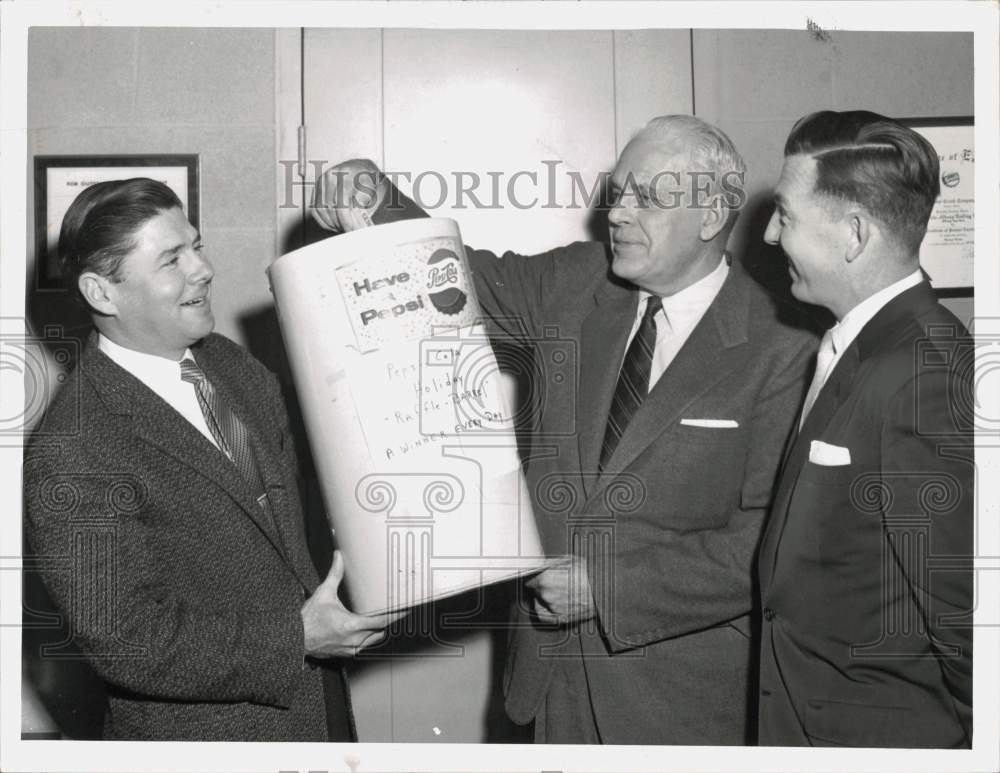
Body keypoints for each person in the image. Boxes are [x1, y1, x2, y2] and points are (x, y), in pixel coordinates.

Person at [312, 115, 817, 744]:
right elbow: (451, 275)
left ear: (712, 215)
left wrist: (609, 588)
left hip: (683, 701)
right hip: (550, 684)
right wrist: (373, 195)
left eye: (649, 199)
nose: (618, 214)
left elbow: (774, 542)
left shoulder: (786, 346)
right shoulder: (576, 284)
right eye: (617, 191)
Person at [23, 178, 397, 741]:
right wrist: (297, 639)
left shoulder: (233, 367)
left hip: (317, 716)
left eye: (196, 246)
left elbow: (289, 534)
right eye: (172, 259)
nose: (203, 269)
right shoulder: (72, 446)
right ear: (102, 294)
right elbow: (126, 639)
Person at [756, 110, 974, 747]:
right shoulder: (862, 343)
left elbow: (966, 619)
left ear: (854, 234)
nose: (769, 235)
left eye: (786, 216)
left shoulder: (926, 374)